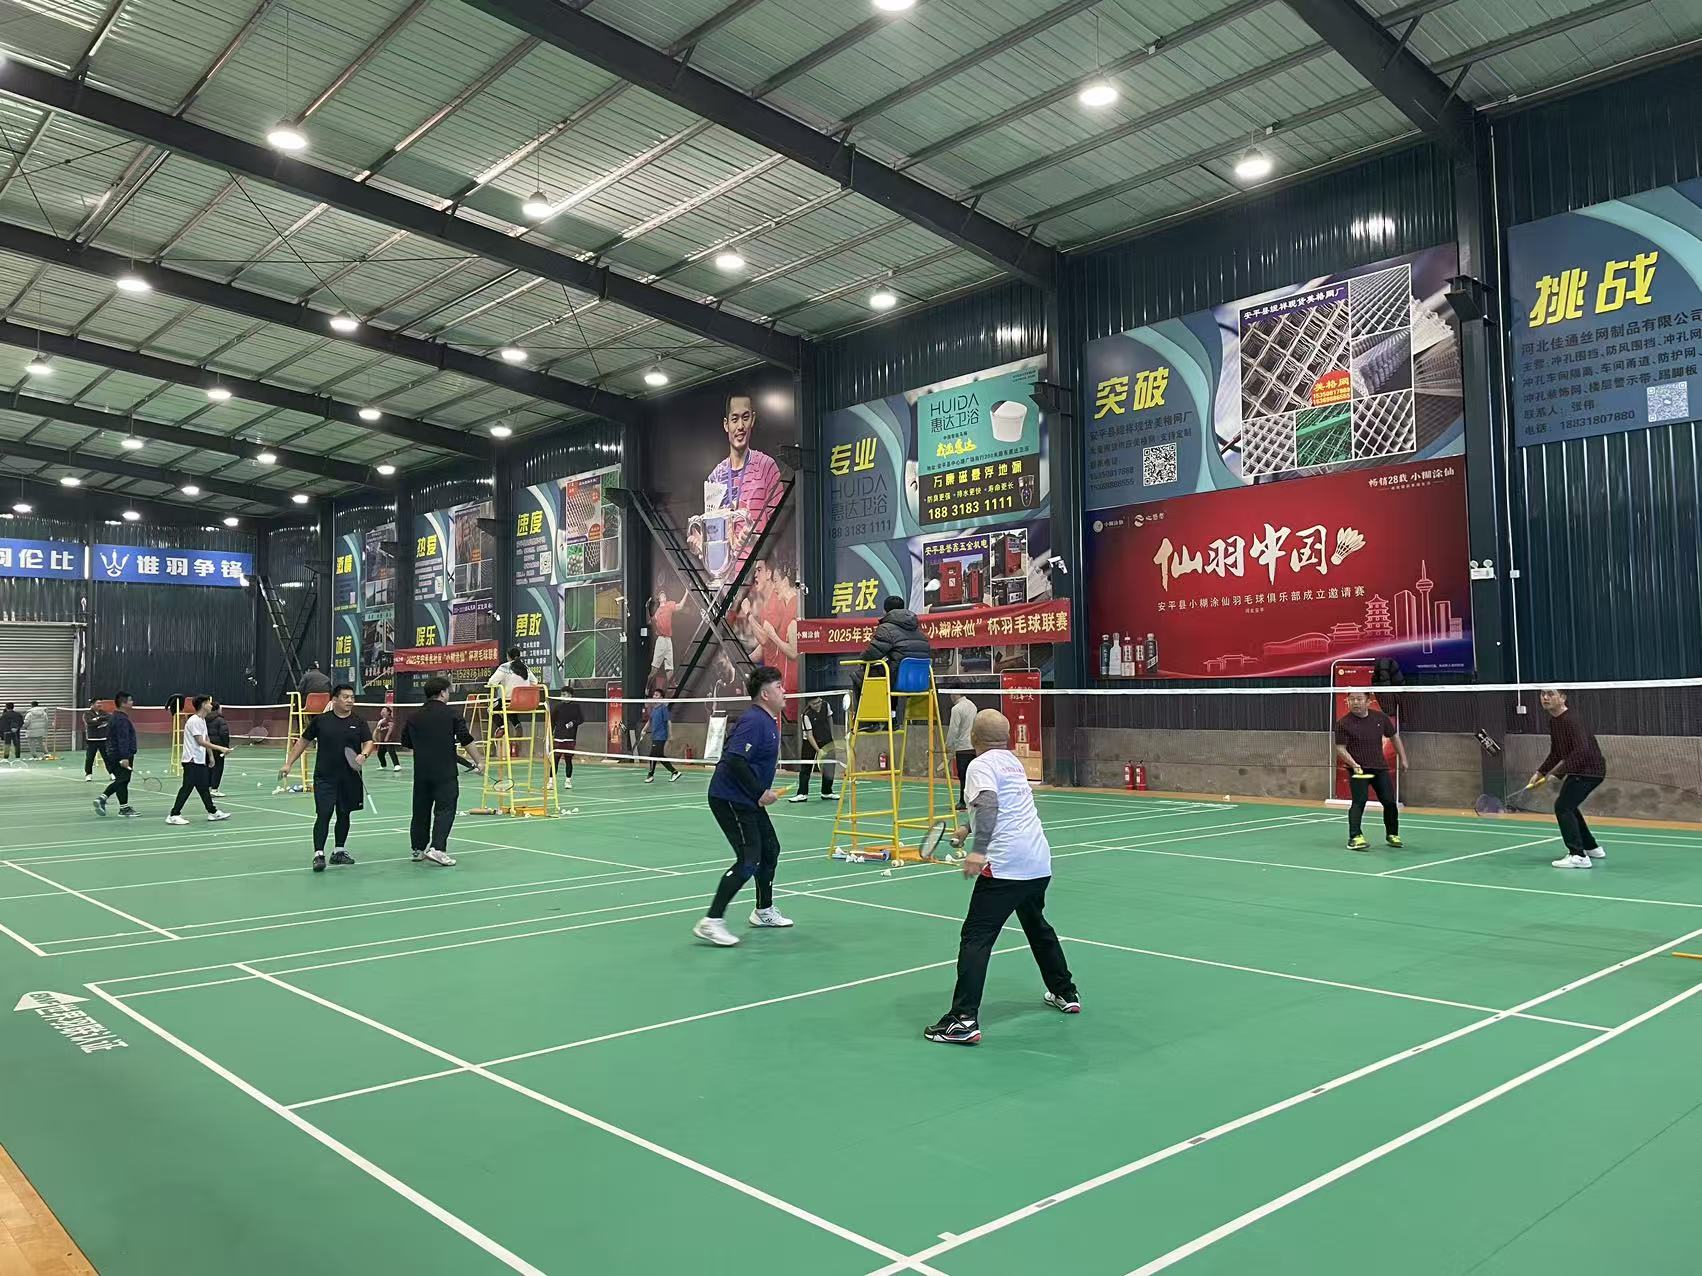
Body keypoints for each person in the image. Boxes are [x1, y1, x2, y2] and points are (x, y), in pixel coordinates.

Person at [925, 709, 1080, 1045]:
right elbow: (1006, 806)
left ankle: (963, 1020)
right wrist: (966, 828)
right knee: (1036, 925)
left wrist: (979, 850)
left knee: (976, 937)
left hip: (1006, 865)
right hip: (1037, 862)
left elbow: (989, 804)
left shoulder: (979, 765)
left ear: (973, 738)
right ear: (1006, 738)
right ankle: (1065, 991)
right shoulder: (1013, 762)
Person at [692, 665, 792, 946]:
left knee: (770, 849)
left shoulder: (768, 720)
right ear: (765, 694)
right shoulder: (754, 721)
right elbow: (735, 760)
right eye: (779, 687)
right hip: (730, 798)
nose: (784, 691)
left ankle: (763, 911)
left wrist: (758, 794)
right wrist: (760, 792)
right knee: (749, 859)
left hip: (747, 798)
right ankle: (712, 921)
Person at [279, 683, 373, 872]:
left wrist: (364, 754)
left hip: (350, 777)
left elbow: (369, 742)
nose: (350, 700)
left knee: (344, 813)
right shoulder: (321, 721)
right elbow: (302, 742)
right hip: (325, 777)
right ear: (334, 699)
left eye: (352, 697)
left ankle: (339, 851)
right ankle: (319, 854)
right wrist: (288, 763)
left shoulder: (359, 721)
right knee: (324, 813)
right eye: (345, 697)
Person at [401, 675, 485, 868]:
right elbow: (466, 739)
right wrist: (479, 762)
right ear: (442, 693)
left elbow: (406, 742)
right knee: (445, 810)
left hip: (421, 773)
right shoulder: (452, 714)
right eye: (448, 691)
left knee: (420, 810)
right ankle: (437, 848)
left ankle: (418, 849)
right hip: (445, 772)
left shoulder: (414, 716)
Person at [697, 392, 784, 572]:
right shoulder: (715, 477)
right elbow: (712, 535)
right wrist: (701, 547)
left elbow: (780, 529)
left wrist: (754, 540)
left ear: (753, 420)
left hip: (757, 574)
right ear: (726, 424)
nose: (740, 426)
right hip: (725, 576)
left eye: (745, 418)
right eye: (734, 419)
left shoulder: (767, 468)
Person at [1533, 687, 1608, 869]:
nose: (1545, 697)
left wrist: (1558, 774)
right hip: (1579, 770)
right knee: (1569, 805)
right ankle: (1591, 847)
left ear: (1563, 697)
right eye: (1542, 694)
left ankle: (1578, 855)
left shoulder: (1572, 720)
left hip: (1590, 770)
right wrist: (1540, 772)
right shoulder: (1554, 721)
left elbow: (1582, 750)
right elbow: (1556, 752)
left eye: (1550, 694)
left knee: (1563, 806)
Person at [1333, 691, 1408, 851]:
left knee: (1389, 802)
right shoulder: (1343, 723)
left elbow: (1394, 737)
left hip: (1379, 767)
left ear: (1368, 701)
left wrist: (1403, 758)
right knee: (1359, 801)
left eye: (1359, 699)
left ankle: (1392, 834)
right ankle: (1355, 837)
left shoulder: (1380, 718)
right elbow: (1340, 748)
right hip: (1358, 769)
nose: (1355, 702)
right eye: (1351, 699)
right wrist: (1354, 764)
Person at [853, 596, 933, 709]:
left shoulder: (886, 628)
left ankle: (866, 717)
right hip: (920, 682)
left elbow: (872, 653)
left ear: (885, 611)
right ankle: (892, 715)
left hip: (897, 680)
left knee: (859, 675)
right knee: (891, 669)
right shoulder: (919, 631)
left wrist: (861, 659)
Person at [166, 695, 231, 825]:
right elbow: (200, 741)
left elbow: (206, 738)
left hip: (199, 761)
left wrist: (211, 756)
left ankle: (213, 812)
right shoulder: (194, 721)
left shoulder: (202, 720)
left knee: (203, 788)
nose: (211, 706)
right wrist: (220, 748)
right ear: (203, 705)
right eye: (209, 703)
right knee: (186, 788)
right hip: (191, 761)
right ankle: (173, 814)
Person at [93, 692, 139, 818]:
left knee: (123, 780)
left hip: (114, 754)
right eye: (130, 700)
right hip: (120, 755)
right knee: (123, 779)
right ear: (123, 703)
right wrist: (124, 757)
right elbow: (122, 739)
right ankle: (102, 798)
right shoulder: (121, 720)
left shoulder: (116, 717)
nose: (132, 702)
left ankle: (123, 808)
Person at [790, 694, 836, 802]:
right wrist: (819, 751)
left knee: (829, 766)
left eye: (819, 701)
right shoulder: (806, 715)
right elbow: (810, 736)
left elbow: (829, 719)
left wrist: (831, 736)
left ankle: (827, 792)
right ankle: (802, 794)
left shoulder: (826, 705)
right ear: (809, 704)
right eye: (814, 703)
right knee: (806, 768)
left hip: (825, 739)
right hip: (809, 742)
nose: (818, 704)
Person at [946, 692, 977, 810]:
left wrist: (948, 745)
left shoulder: (956, 709)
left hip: (963, 748)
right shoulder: (973, 706)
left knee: (963, 776)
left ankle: (963, 802)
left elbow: (953, 729)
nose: (950, 697)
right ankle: (973, 801)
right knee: (972, 776)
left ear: (955, 694)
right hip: (974, 746)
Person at [550, 687, 584, 789]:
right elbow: (552, 721)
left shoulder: (576, 706)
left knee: (568, 760)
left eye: (564, 694)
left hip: (570, 738)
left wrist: (573, 723)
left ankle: (568, 781)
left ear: (570, 695)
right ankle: (551, 782)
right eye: (562, 694)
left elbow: (581, 719)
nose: (562, 696)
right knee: (555, 760)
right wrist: (549, 733)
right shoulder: (558, 706)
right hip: (558, 737)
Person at [649, 588, 683, 689]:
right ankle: (647, 687)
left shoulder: (669, 605)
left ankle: (671, 686)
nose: (663, 596)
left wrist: (686, 593)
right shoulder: (658, 611)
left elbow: (680, 606)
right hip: (661, 640)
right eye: (661, 595)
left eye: (664, 595)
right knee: (655, 668)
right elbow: (651, 620)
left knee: (670, 666)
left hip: (668, 639)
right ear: (659, 599)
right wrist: (648, 609)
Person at [643, 691, 680, 783]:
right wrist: (644, 730)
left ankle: (650, 775)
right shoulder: (654, 709)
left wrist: (670, 735)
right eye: (654, 695)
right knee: (658, 755)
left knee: (653, 756)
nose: (654, 696)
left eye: (657, 695)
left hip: (661, 736)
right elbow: (650, 721)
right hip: (654, 735)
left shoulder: (663, 708)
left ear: (661, 698)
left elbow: (668, 722)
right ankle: (674, 772)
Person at [206, 699, 231, 797]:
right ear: (217, 709)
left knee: (208, 767)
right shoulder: (220, 720)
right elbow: (224, 734)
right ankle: (214, 789)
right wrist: (226, 747)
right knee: (218, 768)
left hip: (206, 746)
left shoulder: (204, 719)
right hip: (218, 747)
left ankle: (207, 788)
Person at [83, 701, 110, 782]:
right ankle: (88, 774)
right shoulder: (87, 713)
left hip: (103, 739)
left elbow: (109, 717)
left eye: (100, 703)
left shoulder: (103, 712)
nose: (100, 704)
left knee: (107, 757)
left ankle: (112, 773)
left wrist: (98, 719)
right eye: (97, 703)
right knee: (90, 758)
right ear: (92, 705)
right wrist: (102, 722)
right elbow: (89, 722)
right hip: (92, 739)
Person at [375, 703, 402, 772]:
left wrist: (387, 737)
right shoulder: (381, 721)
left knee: (391, 752)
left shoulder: (390, 719)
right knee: (380, 753)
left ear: (389, 712)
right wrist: (376, 738)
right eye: (382, 710)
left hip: (389, 739)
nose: (382, 711)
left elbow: (391, 727)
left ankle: (397, 765)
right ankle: (383, 765)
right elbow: (378, 730)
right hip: (382, 740)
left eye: (384, 710)